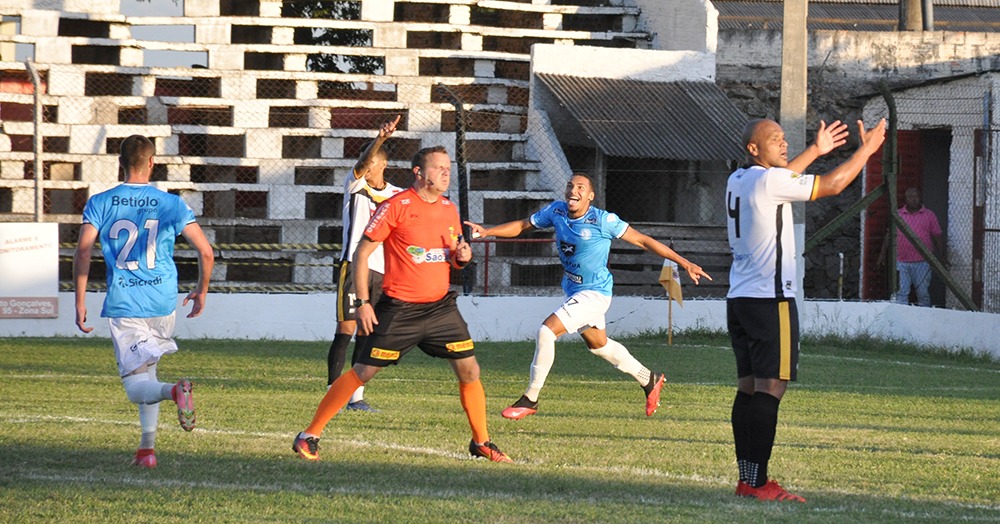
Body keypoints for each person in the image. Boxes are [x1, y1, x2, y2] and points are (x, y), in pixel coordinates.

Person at [292, 145, 512, 463]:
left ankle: (481, 442)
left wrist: (462, 258)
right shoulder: (397, 205)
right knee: (364, 371)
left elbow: (451, 257)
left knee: (469, 370)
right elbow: (362, 253)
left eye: (448, 167)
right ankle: (309, 435)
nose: (446, 172)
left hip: (440, 308)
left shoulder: (450, 209)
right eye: (438, 167)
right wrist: (364, 302)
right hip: (401, 309)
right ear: (418, 173)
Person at [726, 117, 885, 502]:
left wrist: (815, 149)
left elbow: (781, 177)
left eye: (784, 138)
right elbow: (832, 185)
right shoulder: (769, 180)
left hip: (741, 298)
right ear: (753, 149)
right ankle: (759, 483)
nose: (783, 143)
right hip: (771, 299)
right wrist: (867, 150)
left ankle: (748, 479)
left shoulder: (739, 180)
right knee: (771, 388)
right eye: (775, 139)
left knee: (748, 389)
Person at [464, 173, 712, 421]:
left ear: (590, 196)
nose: (574, 190)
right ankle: (649, 379)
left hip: (595, 294)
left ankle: (531, 398)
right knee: (599, 346)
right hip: (574, 290)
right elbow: (522, 225)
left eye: (581, 187)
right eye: (570, 185)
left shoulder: (603, 220)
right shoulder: (556, 211)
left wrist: (684, 262)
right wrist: (487, 232)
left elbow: (643, 240)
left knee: (547, 331)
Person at [73, 134, 215, 468]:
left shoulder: (100, 202)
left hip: (127, 302)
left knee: (136, 385)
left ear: (120, 163)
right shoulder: (172, 203)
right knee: (147, 372)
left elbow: (83, 251)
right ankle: (146, 450)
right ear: (152, 162)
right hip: (163, 300)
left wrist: (79, 300)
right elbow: (206, 252)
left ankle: (175, 392)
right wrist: (201, 290)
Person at [327, 115, 405, 411]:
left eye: (372, 162)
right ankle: (333, 391)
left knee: (367, 332)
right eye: (366, 161)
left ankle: (355, 396)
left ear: (382, 165)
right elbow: (360, 163)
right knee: (345, 329)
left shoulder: (397, 195)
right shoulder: (355, 184)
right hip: (352, 266)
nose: (366, 166)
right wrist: (381, 138)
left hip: (382, 272)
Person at [876, 187, 944, 307]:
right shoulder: (898, 215)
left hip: (922, 261)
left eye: (916, 197)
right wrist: (881, 255)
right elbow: (889, 235)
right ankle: (901, 319)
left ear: (920, 198)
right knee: (901, 293)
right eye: (910, 197)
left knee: (922, 293)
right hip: (901, 261)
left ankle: (924, 317)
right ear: (905, 199)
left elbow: (937, 236)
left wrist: (942, 256)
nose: (913, 199)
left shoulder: (929, 215)